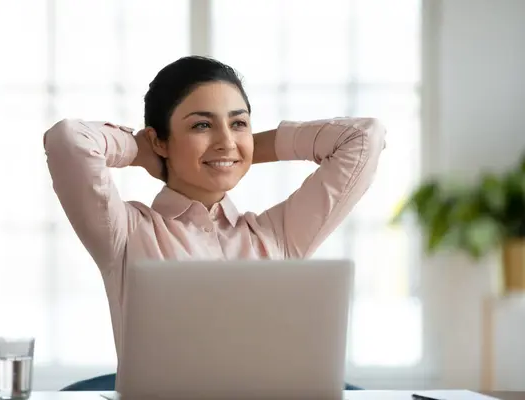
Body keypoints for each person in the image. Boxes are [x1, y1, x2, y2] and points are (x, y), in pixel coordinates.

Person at [44, 56, 386, 393]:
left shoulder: (277, 235)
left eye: (239, 123)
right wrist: (143, 151)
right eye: (201, 125)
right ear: (159, 140)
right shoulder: (127, 233)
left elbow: (363, 139)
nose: (225, 139)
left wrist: (242, 151)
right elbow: (69, 140)